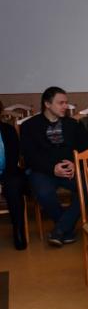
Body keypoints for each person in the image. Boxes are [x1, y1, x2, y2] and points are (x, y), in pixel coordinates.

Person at [20, 86, 88, 246]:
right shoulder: (29, 126)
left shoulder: (74, 124)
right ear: (47, 104)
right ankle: (66, 229)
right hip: (42, 171)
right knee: (44, 193)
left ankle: (60, 229)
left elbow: (85, 150)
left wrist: (75, 163)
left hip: (70, 170)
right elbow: (29, 157)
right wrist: (52, 169)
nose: (65, 106)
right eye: (60, 103)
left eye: (66, 102)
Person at [0, 101, 27, 249]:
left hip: (8, 171)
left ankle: (18, 231)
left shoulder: (8, 130)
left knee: (13, 185)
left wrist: (5, 176)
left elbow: (14, 155)